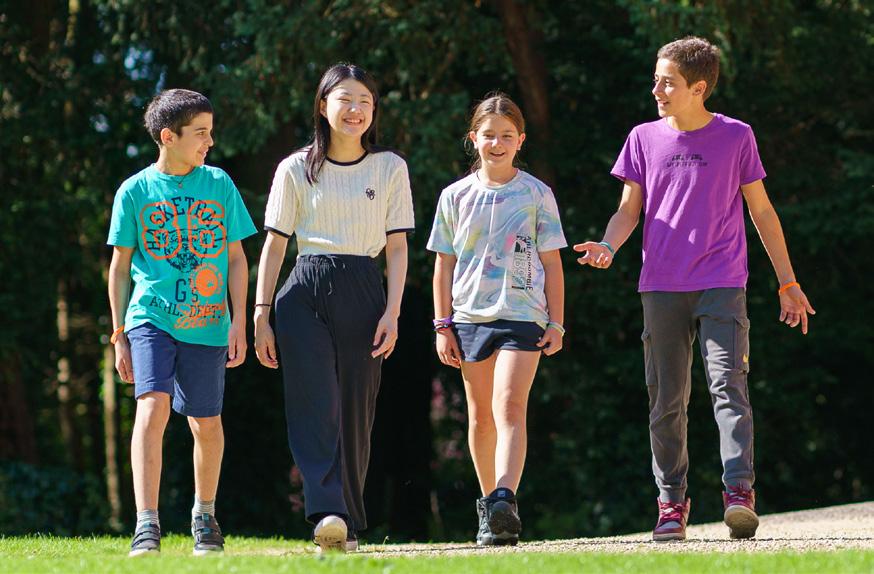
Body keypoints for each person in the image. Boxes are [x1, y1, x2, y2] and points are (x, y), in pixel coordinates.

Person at [575, 36, 816, 541]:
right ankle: (671, 504)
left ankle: (738, 494)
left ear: (699, 88)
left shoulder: (736, 136)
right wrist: (608, 245)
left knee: (729, 387)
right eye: (656, 80)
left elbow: (762, 211)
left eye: (667, 82)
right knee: (666, 400)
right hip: (660, 287)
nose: (656, 90)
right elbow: (628, 210)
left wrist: (788, 281)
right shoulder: (642, 138)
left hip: (722, 283)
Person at [253, 63, 414, 553]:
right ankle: (328, 512)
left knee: (355, 410)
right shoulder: (294, 168)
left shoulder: (390, 168)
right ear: (323, 106)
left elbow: (398, 248)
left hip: (365, 289)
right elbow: (276, 244)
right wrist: (260, 312)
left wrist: (393, 312)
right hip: (304, 290)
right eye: (345, 99)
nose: (355, 109)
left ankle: (347, 519)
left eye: (365, 100)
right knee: (314, 405)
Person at [107, 88, 256, 556]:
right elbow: (119, 267)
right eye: (201, 133)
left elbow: (237, 258)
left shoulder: (219, 184)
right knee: (151, 409)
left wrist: (239, 321)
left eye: (210, 132)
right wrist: (119, 334)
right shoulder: (134, 191)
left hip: (209, 324)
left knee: (205, 423)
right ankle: (146, 524)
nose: (210, 142)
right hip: (150, 318)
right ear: (168, 137)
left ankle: (204, 516)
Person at [427, 93, 566, 546]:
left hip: (524, 316)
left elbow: (553, 263)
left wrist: (557, 323)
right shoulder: (454, 196)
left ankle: (505, 496)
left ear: (520, 140)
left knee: (509, 406)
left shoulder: (536, 194)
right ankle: (492, 511)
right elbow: (443, 264)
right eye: (489, 135)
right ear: (474, 139)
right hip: (469, 318)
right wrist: (442, 325)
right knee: (481, 418)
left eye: (507, 135)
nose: (497, 143)